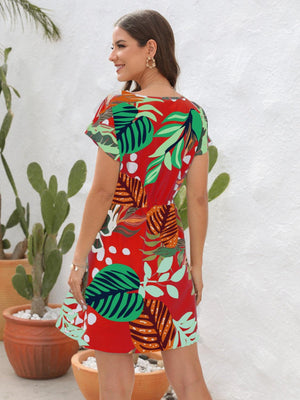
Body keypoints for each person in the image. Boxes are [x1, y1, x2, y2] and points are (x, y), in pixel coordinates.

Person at [56, 9, 212, 400]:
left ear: (151, 48)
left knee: (114, 384)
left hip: (117, 252)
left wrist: (78, 262)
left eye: (121, 46)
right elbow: (197, 198)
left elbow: (102, 192)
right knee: (189, 378)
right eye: (112, 47)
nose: (113, 56)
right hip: (167, 252)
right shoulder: (194, 116)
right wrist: (195, 265)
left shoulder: (118, 110)